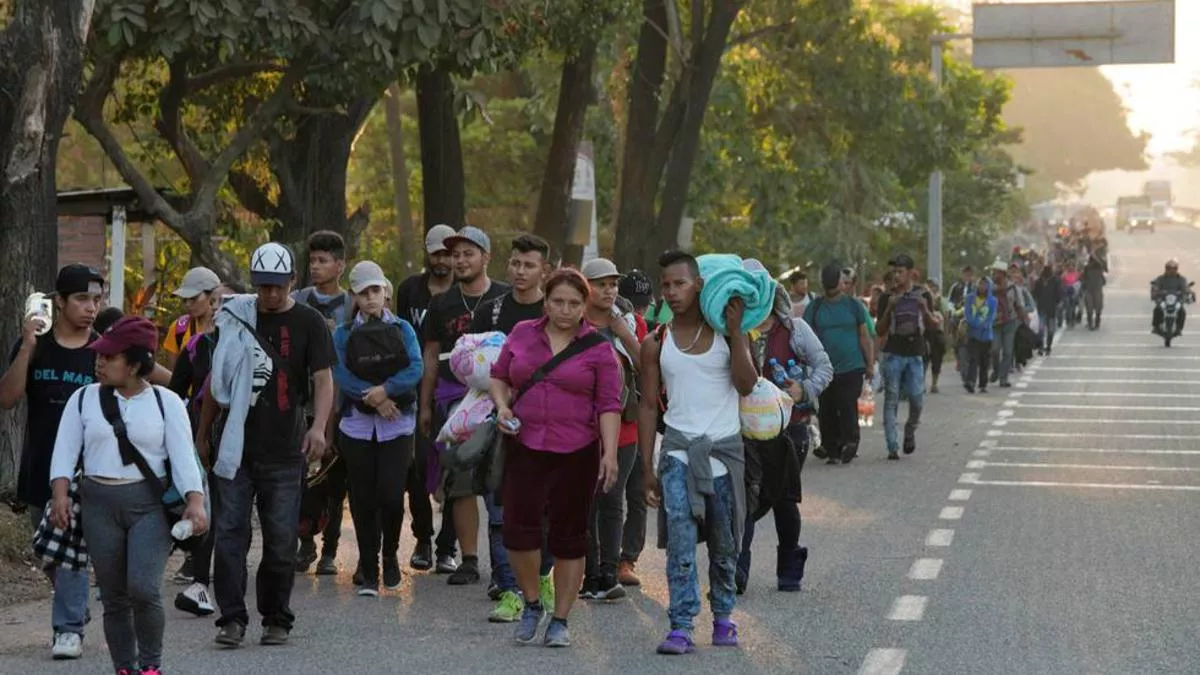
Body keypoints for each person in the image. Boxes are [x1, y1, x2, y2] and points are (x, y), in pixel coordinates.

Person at [49, 316, 207, 675]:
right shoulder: (83, 399)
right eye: (99, 356)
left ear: (136, 364)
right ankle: (125, 667)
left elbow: (184, 457)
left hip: (148, 507)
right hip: (98, 504)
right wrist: (59, 494)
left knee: (143, 587)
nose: (99, 363)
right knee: (114, 594)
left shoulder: (167, 403)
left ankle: (150, 665)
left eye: (110, 357)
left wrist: (195, 502)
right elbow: (64, 451)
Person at [198, 242, 334, 647]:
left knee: (279, 542)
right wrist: (202, 434)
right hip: (236, 449)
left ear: (293, 281)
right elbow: (215, 382)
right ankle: (232, 619)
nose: (270, 295)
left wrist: (319, 427)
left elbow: (324, 379)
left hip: (284, 449)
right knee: (230, 537)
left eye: (277, 286)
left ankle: (276, 616)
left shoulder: (309, 321)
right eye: (263, 287)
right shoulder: (236, 318)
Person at [490, 268, 622, 648]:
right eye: (558, 301)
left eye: (574, 303)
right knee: (518, 532)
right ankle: (532, 604)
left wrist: (609, 454)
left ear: (586, 305)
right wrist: (501, 406)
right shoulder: (521, 334)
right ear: (545, 301)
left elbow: (609, 405)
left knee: (570, 537)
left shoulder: (598, 347)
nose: (565, 310)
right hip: (525, 443)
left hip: (577, 450)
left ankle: (561, 619)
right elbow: (499, 376)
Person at [638, 250, 757, 655]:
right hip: (677, 455)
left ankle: (724, 616)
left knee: (726, 544)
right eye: (666, 285)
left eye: (680, 283)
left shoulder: (727, 334)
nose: (671, 292)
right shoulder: (655, 342)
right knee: (681, 545)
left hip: (724, 454)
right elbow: (649, 405)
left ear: (699, 284)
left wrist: (738, 331)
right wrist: (646, 468)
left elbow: (746, 384)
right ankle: (681, 625)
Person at [0, 264, 106, 660]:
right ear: (58, 301)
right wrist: (27, 345)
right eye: (81, 299)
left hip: (83, 472)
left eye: (96, 300)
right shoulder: (36, 344)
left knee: (68, 545)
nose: (90, 308)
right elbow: (7, 398)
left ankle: (68, 629)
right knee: (47, 549)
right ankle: (76, 607)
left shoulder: (101, 351)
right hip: (38, 465)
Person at [418, 226, 510, 583]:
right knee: (461, 479)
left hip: (500, 401)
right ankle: (469, 559)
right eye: (455, 255)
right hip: (454, 401)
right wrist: (426, 406)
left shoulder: (505, 297)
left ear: (486, 257)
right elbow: (429, 357)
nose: (459, 260)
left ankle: (505, 563)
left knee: (500, 480)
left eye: (468, 253)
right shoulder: (441, 303)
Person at [470, 234, 553, 622]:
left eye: (529, 265)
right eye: (515, 263)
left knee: (547, 509)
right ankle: (508, 589)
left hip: (549, 424)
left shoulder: (557, 311)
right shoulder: (490, 311)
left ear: (544, 271)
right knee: (499, 508)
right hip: (496, 419)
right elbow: (467, 363)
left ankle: (544, 577)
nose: (520, 272)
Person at [332, 261, 423, 597]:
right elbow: (339, 372)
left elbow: (416, 366)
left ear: (385, 291)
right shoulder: (342, 334)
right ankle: (368, 568)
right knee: (362, 497)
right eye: (362, 292)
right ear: (354, 295)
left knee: (390, 493)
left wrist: (388, 390)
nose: (370, 298)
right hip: (357, 425)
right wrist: (374, 399)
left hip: (397, 425)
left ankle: (390, 556)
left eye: (375, 290)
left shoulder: (403, 329)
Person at [737, 281, 832, 594]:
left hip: (790, 429)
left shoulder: (795, 330)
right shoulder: (734, 332)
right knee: (746, 499)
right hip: (745, 432)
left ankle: (789, 571)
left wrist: (803, 389)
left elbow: (824, 367)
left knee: (784, 500)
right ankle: (738, 573)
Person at [168, 282, 240, 614]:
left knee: (235, 512)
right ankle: (201, 583)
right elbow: (176, 392)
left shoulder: (255, 346)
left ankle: (234, 579)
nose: (219, 309)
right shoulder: (197, 346)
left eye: (227, 302)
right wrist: (190, 434)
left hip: (251, 442)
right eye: (216, 302)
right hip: (206, 438)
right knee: (211, 506)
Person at [579, 258, 646, 602]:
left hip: (624, 425)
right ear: (585, 286)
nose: (608, 290)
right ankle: (589, 574)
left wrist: (624, 333)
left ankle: (609, 571)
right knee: (586, 501)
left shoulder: (628, 324)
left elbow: (648, 369)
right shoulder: (574, 323)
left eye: (613, 284)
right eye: (600, 283)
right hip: (582, 426)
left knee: (612, 498)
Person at [393, 224, 458, 572]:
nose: (442, 260)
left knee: (455, 466)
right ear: (427, 253)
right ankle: (423, 539)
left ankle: (448, 546)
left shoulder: (464, 294)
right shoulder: (410, 290)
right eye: (437, 253)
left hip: (456, 388)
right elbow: (399, 335)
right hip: (414, 388)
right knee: (416, 467)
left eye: (448, 254)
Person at [292, 231, 353, 576]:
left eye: (323, 260)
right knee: (302, 475)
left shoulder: (351, 304)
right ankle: (304, 541)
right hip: (304, 402)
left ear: (340, 265)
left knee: (335, 477)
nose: (315, 267)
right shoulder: (299, 298)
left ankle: (330, 548)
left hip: (342, 402)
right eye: (312, 260)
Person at [804, 263, 874, 464]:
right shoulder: (815, 307)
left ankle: (850, 443)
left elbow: (864, 335)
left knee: (846, 404)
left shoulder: (853, 306)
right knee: (826, 408)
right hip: (824, 368)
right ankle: (832, 448)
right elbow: (805, 335)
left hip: (851, 365)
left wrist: (869, 362)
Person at [875, 254, 938, 460]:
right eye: (894, 271)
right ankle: (892, 445)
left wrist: (925, 309)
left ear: (911, 273)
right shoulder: (887, 297)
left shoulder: (923, 295)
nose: (896, 276)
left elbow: (933, 326)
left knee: (916, 398)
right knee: (891, 398)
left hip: (915, 353)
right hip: (893, 353)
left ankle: (910, 429)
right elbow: (879, 329)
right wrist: (890, 307)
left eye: (900, 272)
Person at [616, 269, 653, 586]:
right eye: (635, 305)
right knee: (605, 494)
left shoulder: (647, 329)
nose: (640, 312)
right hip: (606, 421)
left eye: (645, 305)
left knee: (637, 491)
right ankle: (599, 558)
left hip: (639, 419)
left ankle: (627, 558)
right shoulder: (607, 323)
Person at [162, 266, 222, 369]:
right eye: (184, 299)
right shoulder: (178, 328)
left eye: (193, 298)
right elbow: (172, 378)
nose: (188, 304)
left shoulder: (229, 328)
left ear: (213, 295)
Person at [989, 262, 1026, 388]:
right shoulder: (989, 288)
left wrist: (1024, 318)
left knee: (1008, 351)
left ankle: (1003, 378)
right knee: (994, 349)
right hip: (994, 323)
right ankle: (996, 370)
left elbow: (1019, 304)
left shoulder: (1013, 287)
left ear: (1003, 274)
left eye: (997, 272)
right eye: (994, 272)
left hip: (1010, 322)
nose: (995, 275)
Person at [963, 279, 997, 394]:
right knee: (973, 358)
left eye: (984, 284)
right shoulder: (969, 298)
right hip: (972, 333)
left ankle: (983, 384)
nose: (981, 286)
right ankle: (970, 382)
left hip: (986, 334)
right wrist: (973, 323)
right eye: (980, 284)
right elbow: (967, 313)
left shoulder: (992, 300)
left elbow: (991, 316)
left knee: (984, 361)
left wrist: (983, 325)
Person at [1152, 259, 1189, 336]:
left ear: (1176, 269)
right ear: (1166, 269)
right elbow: (1155, 288)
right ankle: (1156, 327)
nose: (1171, 271)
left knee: (1182, 311)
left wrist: (1186, 293)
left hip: (1176, 300)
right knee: (1157, 309)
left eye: (1174, 269)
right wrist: (1156, 293)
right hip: (1163, 299)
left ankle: (1179, 328)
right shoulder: (1160, 279)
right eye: (1169, 269)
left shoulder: (1181, 279)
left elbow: (1185, 289)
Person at [923, 280, 948, 393]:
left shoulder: (941, 301)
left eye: (933, 287)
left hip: (938, 332)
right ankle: (920, 382)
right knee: (923, 359)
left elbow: (946, 316)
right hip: (925, 333)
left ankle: (934, 384)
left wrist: (946, 334)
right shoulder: (922, 299)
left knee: (937, 359)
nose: (931, 289)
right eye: (929, 286)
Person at [1032, 265, 1063, 355]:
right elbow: (1035, 294)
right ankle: (1041, 347)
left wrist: (1059, 301)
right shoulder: (1039, 282)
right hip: (1042, 309)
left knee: (1050, 330)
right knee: (1041, 330)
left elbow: (1058, 294)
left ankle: (1048, 347)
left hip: (1051, 309)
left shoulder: (1055, 281)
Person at [1082, 239, 1108, 330]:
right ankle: (1092, 323)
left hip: (1094, 289)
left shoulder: (1098, 266)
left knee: (1095, 308)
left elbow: (1105, 268)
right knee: (1093, 308)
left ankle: (1094, 323)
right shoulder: (1089, 268)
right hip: (1092, 289)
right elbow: (1083, 278)